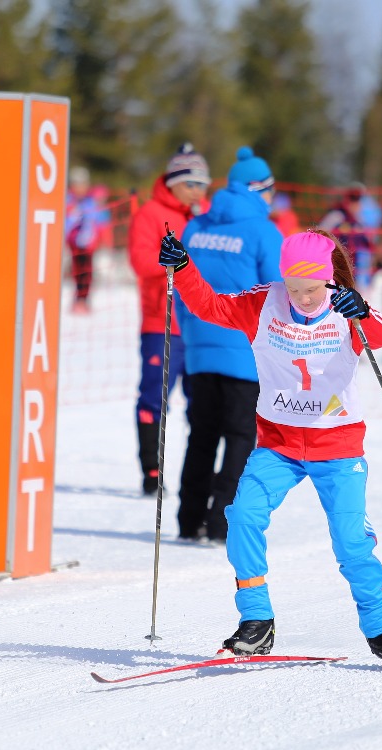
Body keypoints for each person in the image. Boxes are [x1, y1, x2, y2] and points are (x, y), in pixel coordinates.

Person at [157, 227, 382, 666]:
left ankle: (381, 630)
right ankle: (257, 622)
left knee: (351, 542)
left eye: (312, 288)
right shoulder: (265, 301)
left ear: (328, 278)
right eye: (294, 288)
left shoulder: (345, 304)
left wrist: (362, 314)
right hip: (278, 445)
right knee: (242, 518)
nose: (303, 298)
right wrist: (182, 268)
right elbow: (210, 305)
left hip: (338, 448)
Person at [176, 147, 283, 544]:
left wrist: (190, 331)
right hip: (245, 349)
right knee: (239, 436)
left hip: (200, 345)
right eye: (271, 190)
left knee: (201, 434)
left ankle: (188, 520)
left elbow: (181, 285)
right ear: (259, 189)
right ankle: (221, 523)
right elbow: (277, 293)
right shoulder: (264, 232)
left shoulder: (196, 226)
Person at [127, 142, 210, 496]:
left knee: (203, 403)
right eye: (191, 183)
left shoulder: (206, 214)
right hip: (162, 324)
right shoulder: (150, 213)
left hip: (203, 324)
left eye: (203, 184)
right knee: (153, 397)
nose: (198, 191)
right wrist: (172, 261)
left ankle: (198, 474)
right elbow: (140, 263)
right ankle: (151, 469)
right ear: (174, 182)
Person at [318, 183, 374, 289]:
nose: (355, 204)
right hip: (334, 267)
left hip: (353, 269)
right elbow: (319, 234)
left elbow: (368, 244)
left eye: (358, 200)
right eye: (353, 199)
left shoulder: (359, 222)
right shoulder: (337, 215)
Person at [65, 166, 102, 315]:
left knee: (87, 273)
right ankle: (78, 299)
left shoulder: (91, 201)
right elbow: (66, 222)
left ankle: (84, 300)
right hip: (73, 244)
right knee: (76, 272)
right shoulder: (69, 201)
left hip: (89, 245)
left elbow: (100, 220)